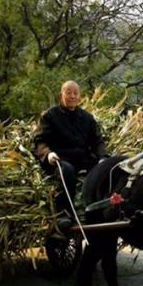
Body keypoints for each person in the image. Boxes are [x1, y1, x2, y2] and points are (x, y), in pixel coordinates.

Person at [33, 80, 106, 230]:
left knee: (108, 168)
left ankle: (102, 209)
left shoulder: (87, 117)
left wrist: (102, 158)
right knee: (66, 170)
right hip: (59, 159)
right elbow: (39, 140)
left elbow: (97, 140)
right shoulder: (49, 116)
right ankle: (64, 213)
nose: (72, 96)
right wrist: (48, 154)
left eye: (75, 93)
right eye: (68, 93)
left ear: (80, 96)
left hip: (84, 158)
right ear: (62, 95)